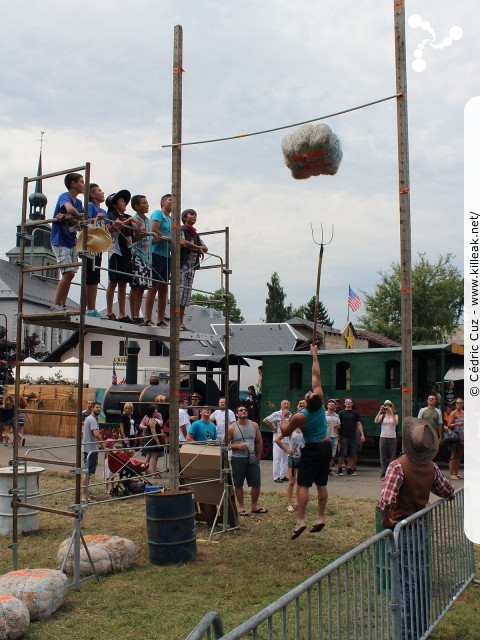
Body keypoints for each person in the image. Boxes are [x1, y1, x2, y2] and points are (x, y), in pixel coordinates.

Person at [378, 416, 454, 640]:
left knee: (407, 584)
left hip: (403, 529)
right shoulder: (431, 467)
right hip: (421, 528)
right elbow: (447, 490)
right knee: (420, 580)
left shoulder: (397, 467)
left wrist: (385, 521)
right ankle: (421, 628)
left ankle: (408, 634)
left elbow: (386, 500)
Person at [281, 344, 331, 540]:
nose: (309, 392)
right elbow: (316, 376)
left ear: (307, 402)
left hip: (312, 448)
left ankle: (301, 520)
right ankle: (320, 517)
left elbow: (285, 432)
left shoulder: (300, 416)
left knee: (303, 484)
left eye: (308, 395)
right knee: (322, 483)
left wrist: (285, 415)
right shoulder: (320, 403)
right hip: (327, 447)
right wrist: (314, 355)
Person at [50, 172, 85, 312]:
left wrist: (67, 216)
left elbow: (79, 220)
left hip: (71, 240)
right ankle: (56, 304)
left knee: (71, 274)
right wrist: (72, 214)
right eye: (81, 182)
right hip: (60, 239)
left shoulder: (80, 202)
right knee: (67, 273)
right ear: (73, 184)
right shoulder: (64, 196)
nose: (83, 185)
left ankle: (61, 304)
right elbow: (71, 209)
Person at [105, 190, 139, 322]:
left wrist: (141, 231)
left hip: (127, 250)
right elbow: (113, 227)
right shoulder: (111, 215)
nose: (124, 202)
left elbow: (133, 234)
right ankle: (109, 311)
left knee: (123, 282)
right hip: (116, 250)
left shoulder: (127, 216)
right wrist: (130, 220)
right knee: (113, 281)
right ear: (114, 204)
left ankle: (122, 313)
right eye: (121, 201)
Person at [228, 404, 267, 516]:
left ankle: (254, 506)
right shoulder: (232, 428)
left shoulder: (254, 425)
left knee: (256, 483)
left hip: (252, 458)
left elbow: (259, 442)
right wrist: (237, 446)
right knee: (238, 483)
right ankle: (241, 507)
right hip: (238, 459)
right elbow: (225, 444)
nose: (243, 411)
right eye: (241, 410)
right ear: (236, 414)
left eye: (245, 410)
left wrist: (258, 457)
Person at [144, 194, 172, 328]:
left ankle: (161, 319)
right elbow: (154, 229)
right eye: (170, 200)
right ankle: (147, 318)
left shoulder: (172, 219)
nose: (173, 202)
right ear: (163, 202)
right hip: (157, 252)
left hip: (167, 255)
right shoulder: (158, 213)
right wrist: (166, 238)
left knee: (164, 287)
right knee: (154, 285)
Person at [180, 209, 208, 329]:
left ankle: (181, 322)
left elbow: (205, 247)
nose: (194, 216)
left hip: (191, 267)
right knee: (178, 295)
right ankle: (176, 322)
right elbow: (182, 241)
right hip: (182, 265)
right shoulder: (182, 230)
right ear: (184, 217)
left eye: (195, 215)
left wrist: (197, 248)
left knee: (185, 297)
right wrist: (198, 248)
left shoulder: (195, 234)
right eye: (191, 214)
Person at [129, 195, 153, 324]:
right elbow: (132, 239)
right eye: (144, 203)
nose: (147, 205)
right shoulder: (134, 220)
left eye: (147, 202)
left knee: (143, 287)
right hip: (137, 255)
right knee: (135, 285)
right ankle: (133, 314)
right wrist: (144, 234)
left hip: (147, 258)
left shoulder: (148, 221)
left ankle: (138, 315)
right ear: (137, 206)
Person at [85, 183, 108, 318]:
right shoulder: (90, 206)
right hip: (90, 244)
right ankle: (88, 308)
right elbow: (85, 220)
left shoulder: (103, 211)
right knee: (89, 276)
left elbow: (107, 227)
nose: (102, 192)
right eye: (100, 190)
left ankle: (91, 308)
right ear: (92, 194)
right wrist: (96, 218)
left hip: (99, 246)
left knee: (95, 277)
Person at [274, 419, 304, 513]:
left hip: (303, 458)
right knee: (291, 481)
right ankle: (289, 503)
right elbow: (277, 439)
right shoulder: (291, 430)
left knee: (300, 481)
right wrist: (286, 450)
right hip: (293, 458)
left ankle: (297, 500)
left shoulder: (306, 429)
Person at [264, 400, 292, 483]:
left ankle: (282, 475)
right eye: (284, 404)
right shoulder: (277, 414)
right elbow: (265, 420)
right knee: (277, 459)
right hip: (278, 440)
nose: (286, 405)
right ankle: (276, 477)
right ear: (281, 405)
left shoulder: (291, 415)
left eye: (287, 404)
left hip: (287, 440)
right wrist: (273, 428)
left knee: (285, 459)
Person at [81, 402, 104, 503]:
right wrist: (103, 445)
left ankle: (85, 493)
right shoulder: (92, 419)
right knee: (87, 472)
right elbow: (96, 434)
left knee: (88, 472)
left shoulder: (89, 419)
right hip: (90, 450)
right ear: (92, 408)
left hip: (88, 448)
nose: (99, 409)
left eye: (100, 407)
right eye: (97, 407)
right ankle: (83, 496)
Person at [337, 399, 364, 476]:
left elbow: (359, 424)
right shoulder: (341, 413)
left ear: (352, 403)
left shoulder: (355, 413)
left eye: (349, 402)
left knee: (352, 453)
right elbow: (338, 425)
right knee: (342, 453)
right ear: (345, 404)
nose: (348, 403)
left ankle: (349, 469)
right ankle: (339, 468)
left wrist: (362, 434)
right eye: (346, 402)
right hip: (343, 435)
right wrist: (338, 435)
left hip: (352, 436)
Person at [374, 400, 399, 480]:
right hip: (383, 437)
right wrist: (380, 411)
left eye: (389, 405)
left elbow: (396, 422)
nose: (388, 407)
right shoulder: (382, 416)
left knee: (392, 457)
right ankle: (383, 475)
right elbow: (376, 421)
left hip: (392, 438)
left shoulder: (395, 415)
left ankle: (392, 474)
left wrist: (391, 412)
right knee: (383, 457)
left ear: (392, 406)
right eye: (386, 405)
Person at [143, 404, 165, 476]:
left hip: (149, 439)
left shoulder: (148, 418)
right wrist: (158, 442)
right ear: (152, 412)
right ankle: (154, 473)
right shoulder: (152, 420)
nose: (157, 411)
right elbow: (153, 432)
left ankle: (145, 470)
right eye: (156, 410)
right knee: (154, 456)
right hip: (153, 440)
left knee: (148, 455)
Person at [446, 398, 464, 480]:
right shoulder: (453, 413)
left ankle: (456, 473)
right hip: (455, 436)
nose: (458, 404)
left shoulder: (464, 413)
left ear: (463, 404)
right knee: (453, 455)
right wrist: (457, 423)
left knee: (459, 455)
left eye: (460, 403)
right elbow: (449, 425)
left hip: (462, 436)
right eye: (457, 403)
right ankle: (451, 474)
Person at [325, 399, 340, 476]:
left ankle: (330, 470)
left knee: (332, 455)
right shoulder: (323, 415)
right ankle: (324, 470)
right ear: (327, 405)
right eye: (329, 403)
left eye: (333, 403)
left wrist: (338, 426)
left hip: (334, 436)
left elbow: (339, 426)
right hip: (326, 437)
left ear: (335, 406)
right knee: (324, 454)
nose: (331, 404)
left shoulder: (336, 416)